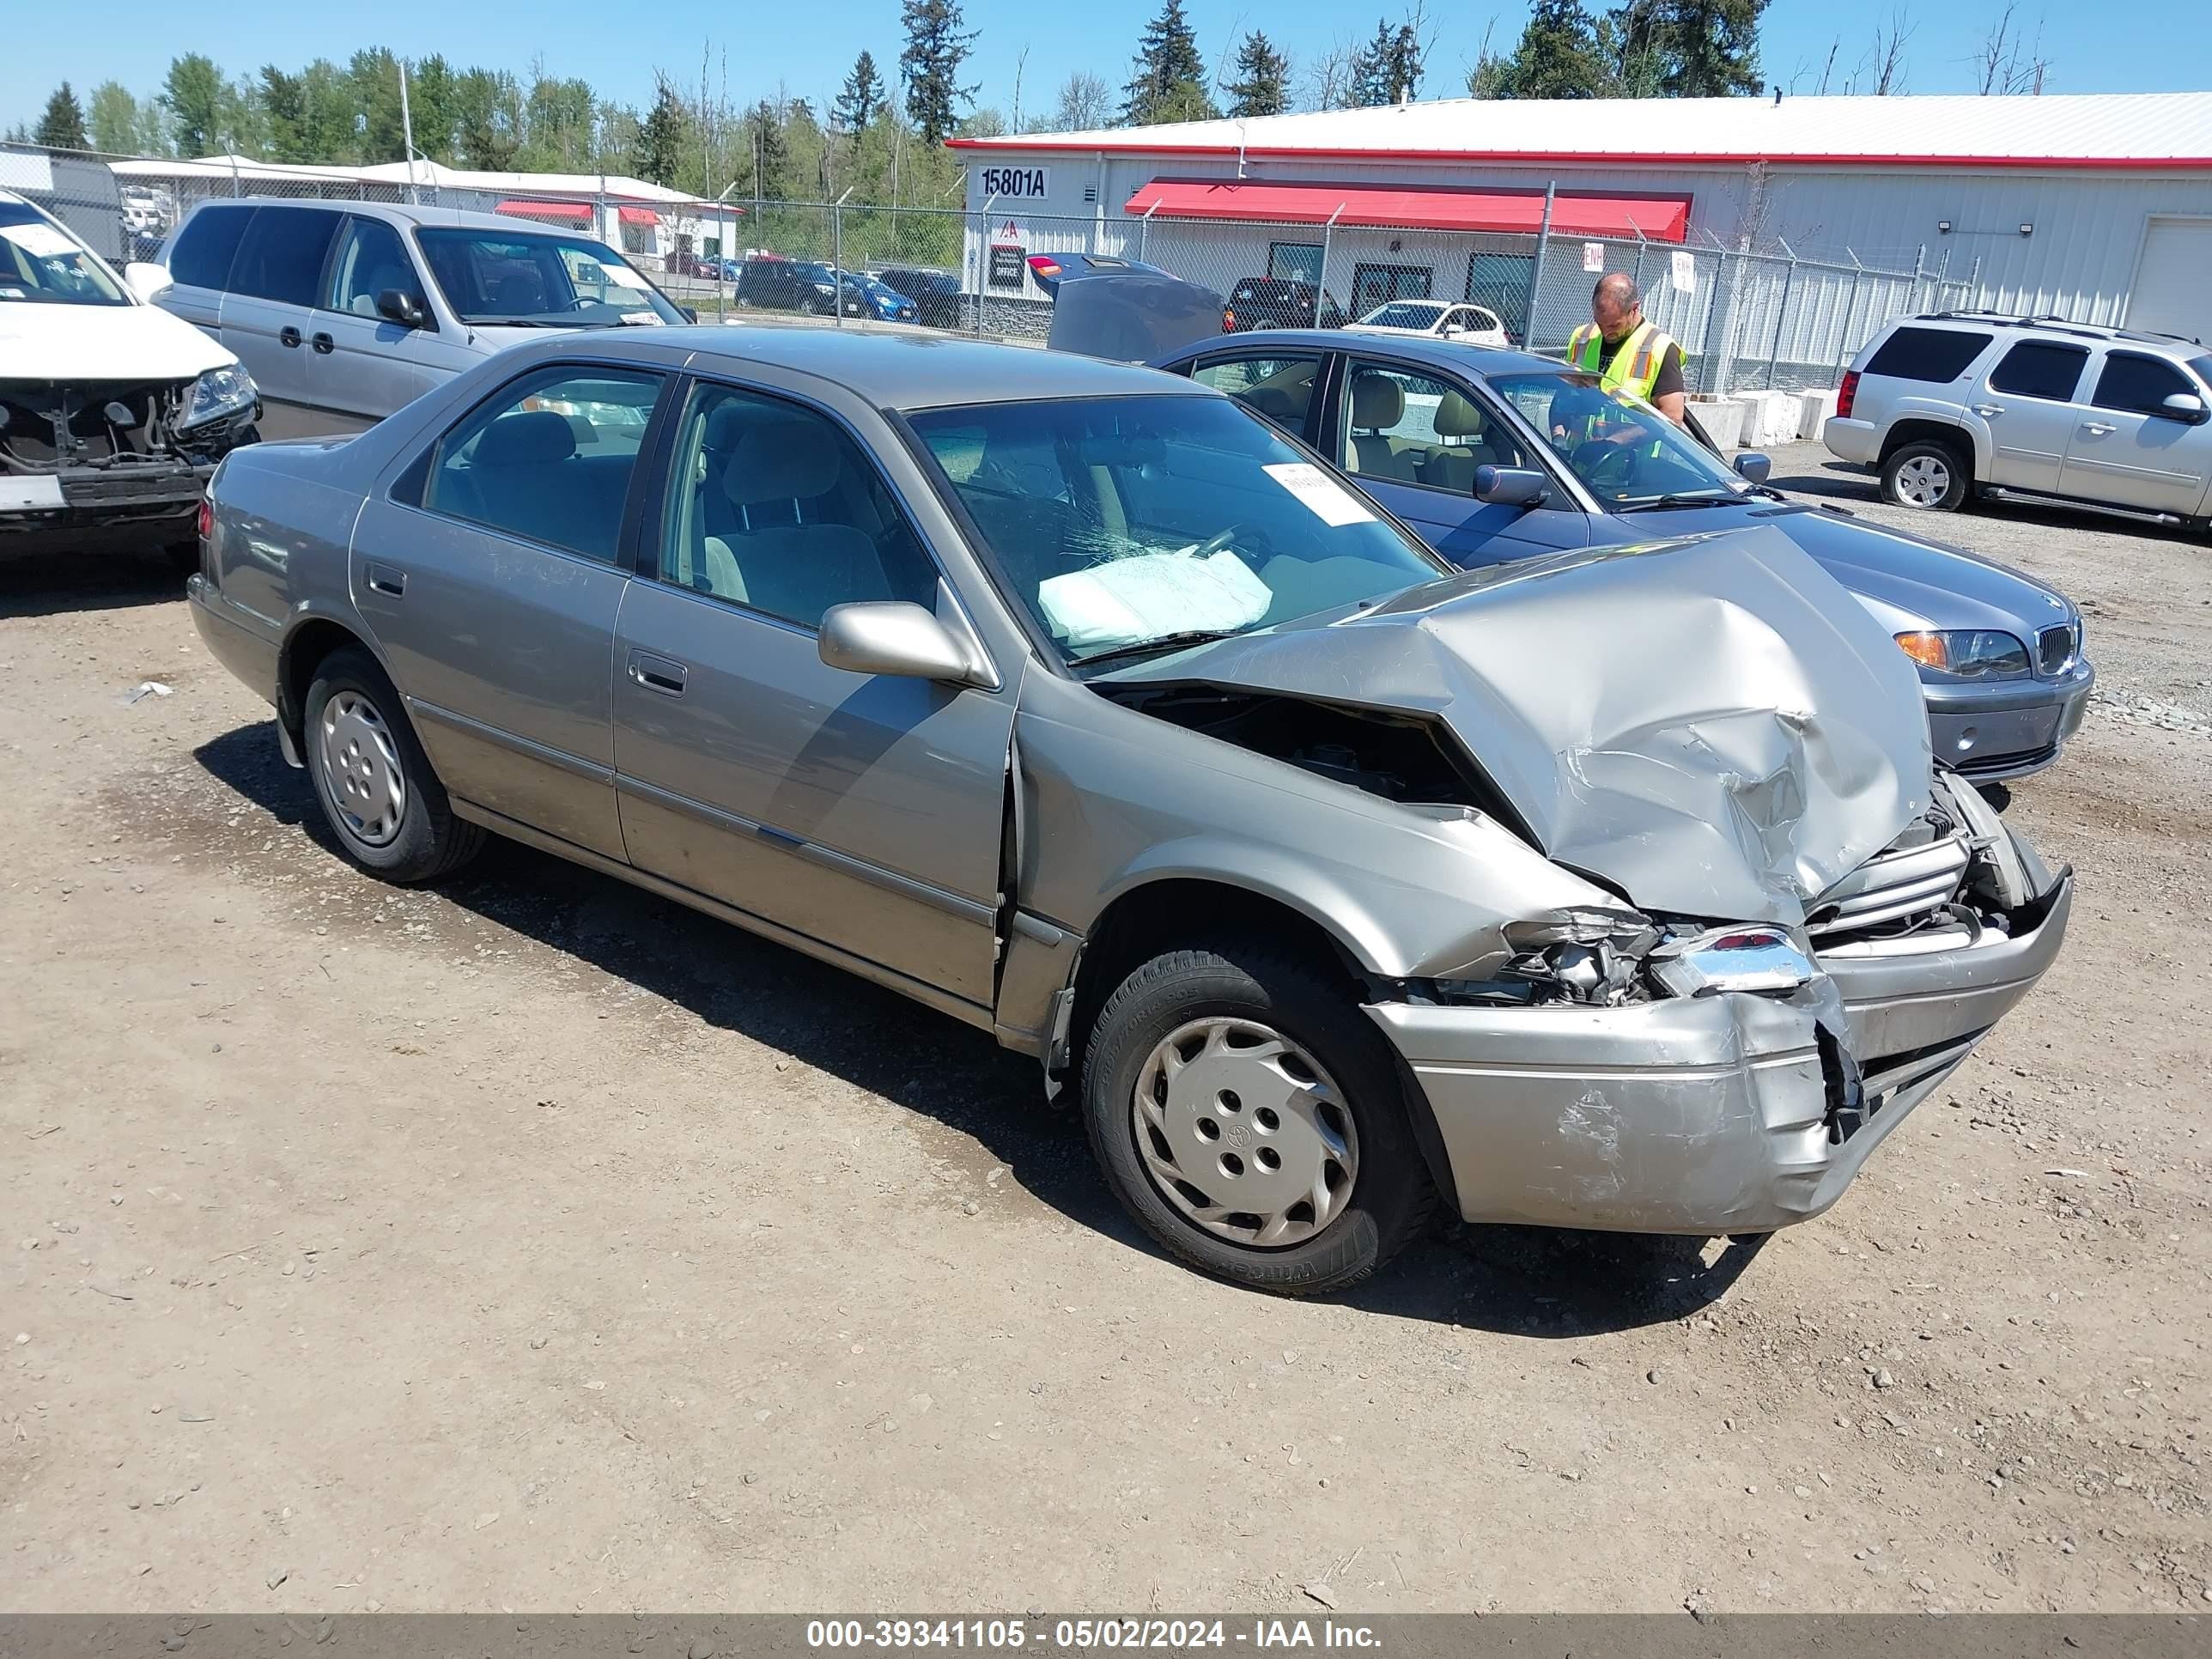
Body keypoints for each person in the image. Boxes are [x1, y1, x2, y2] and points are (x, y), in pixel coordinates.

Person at [1565, 273, 1686, 426]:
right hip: (1574, 449)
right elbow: (1563, 398)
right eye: (1599, 323)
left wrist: (1617, 441)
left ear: (1634, 309)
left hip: (1628, 450)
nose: (1605, 332)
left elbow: (1672, 418)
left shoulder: (1660, 347)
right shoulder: (1582, 338)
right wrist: (1559, 436)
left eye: (1613, 325)